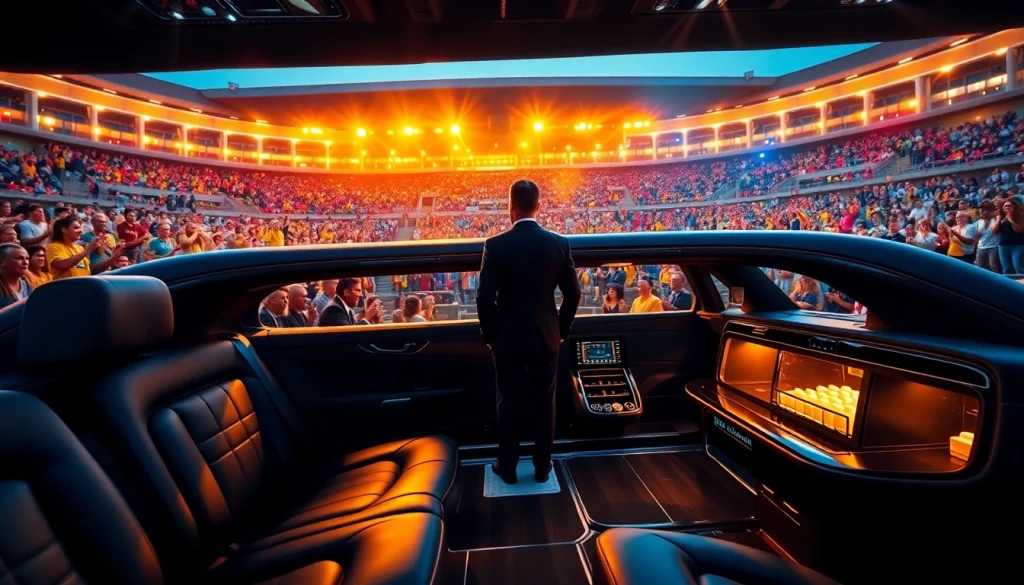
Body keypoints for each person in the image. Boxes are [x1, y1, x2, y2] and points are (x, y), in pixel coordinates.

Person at [476, 179, 581, 485]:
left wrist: (491, 336)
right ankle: (542, 466)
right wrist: (560, 331)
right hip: (546, 336)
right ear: (538, 206)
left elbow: (484, 297)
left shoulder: (494, 245)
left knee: (508, 402)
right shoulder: (559, 243)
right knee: (544, 402)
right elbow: (573, 294)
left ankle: (506, 467)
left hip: (507, 337)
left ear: (510, 207)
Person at [0, 244, 31, 308]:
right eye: (19, 258)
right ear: (1, 262)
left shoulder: (26, 284)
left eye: (27, 259)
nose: (25, 262)